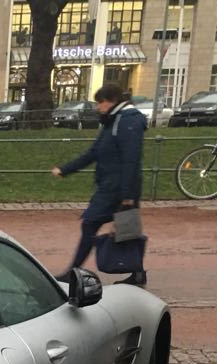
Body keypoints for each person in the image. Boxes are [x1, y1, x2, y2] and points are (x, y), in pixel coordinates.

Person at [50, 82, 147, 285]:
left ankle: (74, 270)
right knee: (126, 229)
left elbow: (131, 159)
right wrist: (66, 169)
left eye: (99, 103)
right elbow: (94, 152)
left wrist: (127, 196)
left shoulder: (128, 122)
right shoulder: (114, 121)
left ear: (110, 102)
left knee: (91, 224)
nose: (97, 107)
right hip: (114, 186)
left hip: (118, 188)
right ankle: (138, 274)